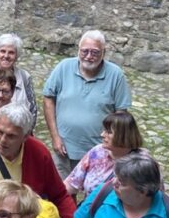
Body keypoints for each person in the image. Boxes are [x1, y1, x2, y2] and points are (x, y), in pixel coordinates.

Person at [42, 29, 131, 179]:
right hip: (64, 149)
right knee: (62, 193)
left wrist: (112, 145)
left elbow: (121, 113)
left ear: (104, 52)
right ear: (78, 50)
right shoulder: (64, 67)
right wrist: (55, 136)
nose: (89, 56)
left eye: (95, 52)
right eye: (85, 51)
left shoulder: (115, 75)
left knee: (94, 197)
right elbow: (48, 98)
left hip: (100, 152)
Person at [65, 109, 144, 198]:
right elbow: (71, 183)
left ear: (123, 136)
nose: (102, 134)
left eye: (109, 132)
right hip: (92, 211)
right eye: (104, 130)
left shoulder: (143, 164)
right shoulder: (97, 152)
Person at [0, 33, 37, 125]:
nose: (6, 56)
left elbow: (32, 110)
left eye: (11, 52)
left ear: (17, 56)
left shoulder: (24, 77)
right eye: (2, 51)